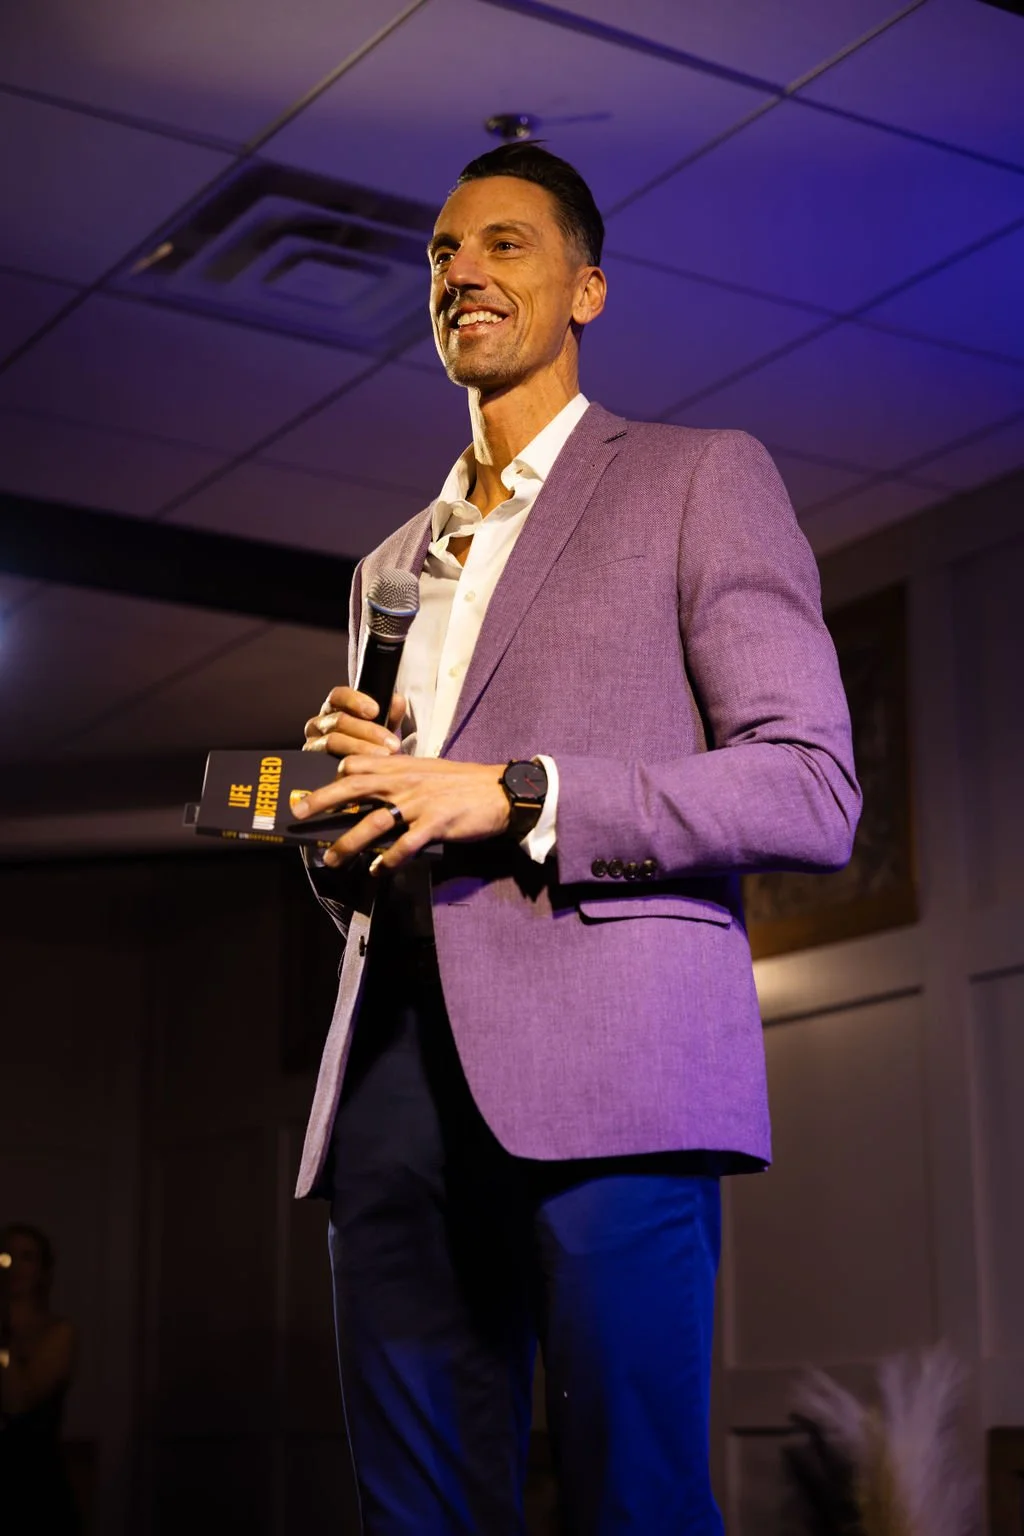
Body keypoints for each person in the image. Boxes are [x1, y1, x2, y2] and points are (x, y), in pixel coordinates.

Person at [291, 142, 860, 1534]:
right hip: (394, 1081)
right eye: (439, 253)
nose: (461, 273)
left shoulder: (697, 478)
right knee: (416, 1513)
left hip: (616, 1071)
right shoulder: (385, 567)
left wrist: (521, 792)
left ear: (586, 288)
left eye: (503, 245)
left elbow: (808, 788)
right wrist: (349, 820)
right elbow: (406, 836)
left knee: (634, 1502)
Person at [0, 1223, 81, 1534]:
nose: (14, 1266)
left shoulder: (59, 1333)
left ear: (43, 1270)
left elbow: (18, 1401)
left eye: (27, 1257)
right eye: (6, 1256)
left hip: (35, 1490)